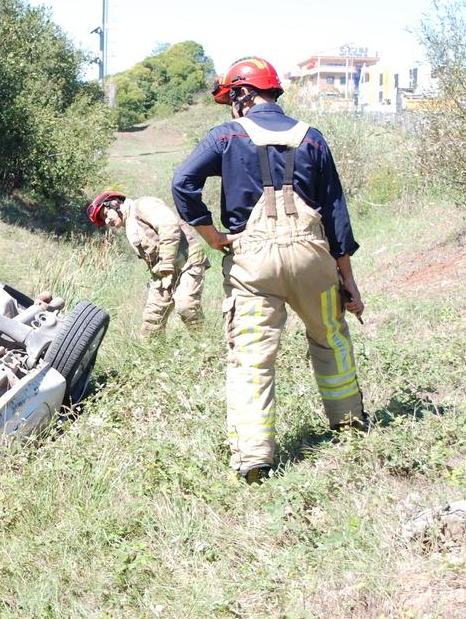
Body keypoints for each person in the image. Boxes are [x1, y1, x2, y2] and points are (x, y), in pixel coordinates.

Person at [170, 56, 367, 484]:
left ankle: (254, 458)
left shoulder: (226, 136)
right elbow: (336, 214)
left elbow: (183, 183)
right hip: (312, 258)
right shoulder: (312, 138)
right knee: (331, 339)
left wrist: (212, 236)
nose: (231, 108)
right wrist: (347, 278)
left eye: (231, 98)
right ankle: (350, 425)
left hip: (253, 264)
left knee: (252, 360)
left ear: (242, 94)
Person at [88, 190, 210, 337]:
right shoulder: (130, 223)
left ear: (115, 203)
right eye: (104, 220)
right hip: (164, 273)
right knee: (152, 323)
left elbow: (169, 226)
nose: (107, 221)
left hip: (187, 262)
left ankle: (203, 343)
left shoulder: (143, 205)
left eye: (106, 214)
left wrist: (166, 259)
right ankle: (155, 354)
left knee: (186, 307)